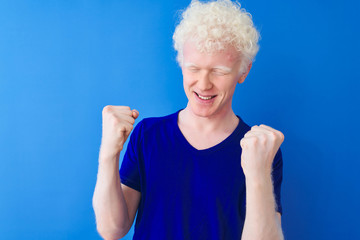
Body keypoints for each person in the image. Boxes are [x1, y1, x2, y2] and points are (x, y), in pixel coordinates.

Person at [92, 0, 285, 239]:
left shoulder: (262, 150)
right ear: (181, 63)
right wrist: (108, 153)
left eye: (219, 71)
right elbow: (112, 229)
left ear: (243, 71)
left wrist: (257, 175)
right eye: (194, 68)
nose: (203, 84)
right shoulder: (148, 136)